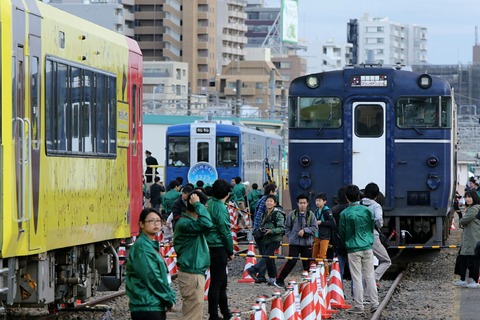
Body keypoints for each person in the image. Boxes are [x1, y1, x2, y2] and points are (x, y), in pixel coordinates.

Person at [126, 208, 176, 320]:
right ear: (141, 224)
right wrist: (169, 299)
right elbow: (153, 277)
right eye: (151, 221)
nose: (156, 224)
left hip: (152, 304)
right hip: (147, 305)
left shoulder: (149, 245)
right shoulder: (143, 248)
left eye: (158, 221)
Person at [339, 184, 378, 314]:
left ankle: (359, 305)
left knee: (357, 277)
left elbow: (342, 232)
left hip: (353, 248)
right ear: (359, 196)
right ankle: (374, 303)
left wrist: (347, 242)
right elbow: (372, 226)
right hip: (367, 246)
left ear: (346, 198)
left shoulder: (344, 214)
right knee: (370, 275)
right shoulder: (367, 211)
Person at [174, 190, 213, 319]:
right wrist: (198, 204)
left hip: (193, 272)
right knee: (193, 315)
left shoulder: (189, 222)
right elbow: (207, 224)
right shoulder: (187, 223)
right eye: (204, 206)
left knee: (193, 311)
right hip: (192, 274)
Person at [274, 193, 318, 289]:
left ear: (307, 204)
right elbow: (287, 227)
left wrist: (305, 230)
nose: (302, 205)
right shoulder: (292, 214)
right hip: (294, 243)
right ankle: (279, 280)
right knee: (291, 262)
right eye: (300, 203)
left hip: (307, 244)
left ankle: (309, 284)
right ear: (297, 204)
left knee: (307, 264)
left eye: (304, 203)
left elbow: (315, 228)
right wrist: (291, 237)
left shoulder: (311, 215)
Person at [206, 179, 234, 320]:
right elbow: (225, 231)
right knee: (217, 283)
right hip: (218, 247)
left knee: (221, 281)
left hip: (208, 246)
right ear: (227, 194)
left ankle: (226, 312)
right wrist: (230, 250)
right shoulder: (221, 208)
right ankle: (213, 315)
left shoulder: (208, 204)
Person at [246, 194, 285, 285]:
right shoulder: (264, 214)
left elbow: (282, 228)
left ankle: (254, 269)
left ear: (275, 203)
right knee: (269, 259)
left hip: (275, 239)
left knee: (267, 256)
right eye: (267, 201)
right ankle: (272, 279)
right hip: (266, 239)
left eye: (271, 201)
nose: (269, 203)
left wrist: (271, 231)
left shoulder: (278, 214)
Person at [361, 182, 392, 284]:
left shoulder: (359, 204)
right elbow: (378, 219)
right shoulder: (376, 206)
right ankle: (372, 279)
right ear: (376, 195)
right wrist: (379, 226)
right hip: (372, 235)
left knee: (364, 264)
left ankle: (362, 291)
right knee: (386, 260)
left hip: (359, 236)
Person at [454, 190, 480, 288]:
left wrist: (460, 216)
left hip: (474, 239)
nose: (468, 199)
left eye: (470, 197)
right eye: (466, 197)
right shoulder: (471, 208)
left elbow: (464, 221)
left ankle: (474, 281)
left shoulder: (475, 209)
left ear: (474, 198)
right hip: (468, 238)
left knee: (473, 260)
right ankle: (462, 279)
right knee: (462, 259)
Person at [312, 192, 335, 276]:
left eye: (319, 200)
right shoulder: (316, 211)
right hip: (317, 235)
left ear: (324, 202)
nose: (317, 202)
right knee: (314, 255)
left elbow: (332, 224)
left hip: (325, 236)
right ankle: (316, 272)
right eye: (316, 200)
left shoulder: (327, 211)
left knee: (323, 255)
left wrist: (321, 222)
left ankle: (326, 274)